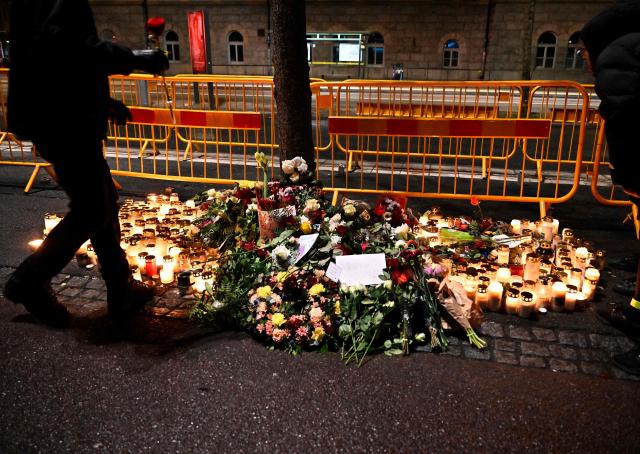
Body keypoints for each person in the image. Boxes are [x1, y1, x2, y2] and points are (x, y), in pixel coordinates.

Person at [4, 0, 169, 327]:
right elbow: (69, 49)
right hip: (62, 121)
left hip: (66, 114)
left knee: (101, 200)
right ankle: (29, 280)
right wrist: (132, 58)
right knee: (94, 208)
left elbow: (58, 65)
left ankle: (120, 290)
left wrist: (102, 102)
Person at [580, 0, 640, 375]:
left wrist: (632, 179)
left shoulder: (620, 60)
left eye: (583, 51)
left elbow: (629, 121)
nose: (584, 59)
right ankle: (636, 311)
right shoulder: (630, 52)